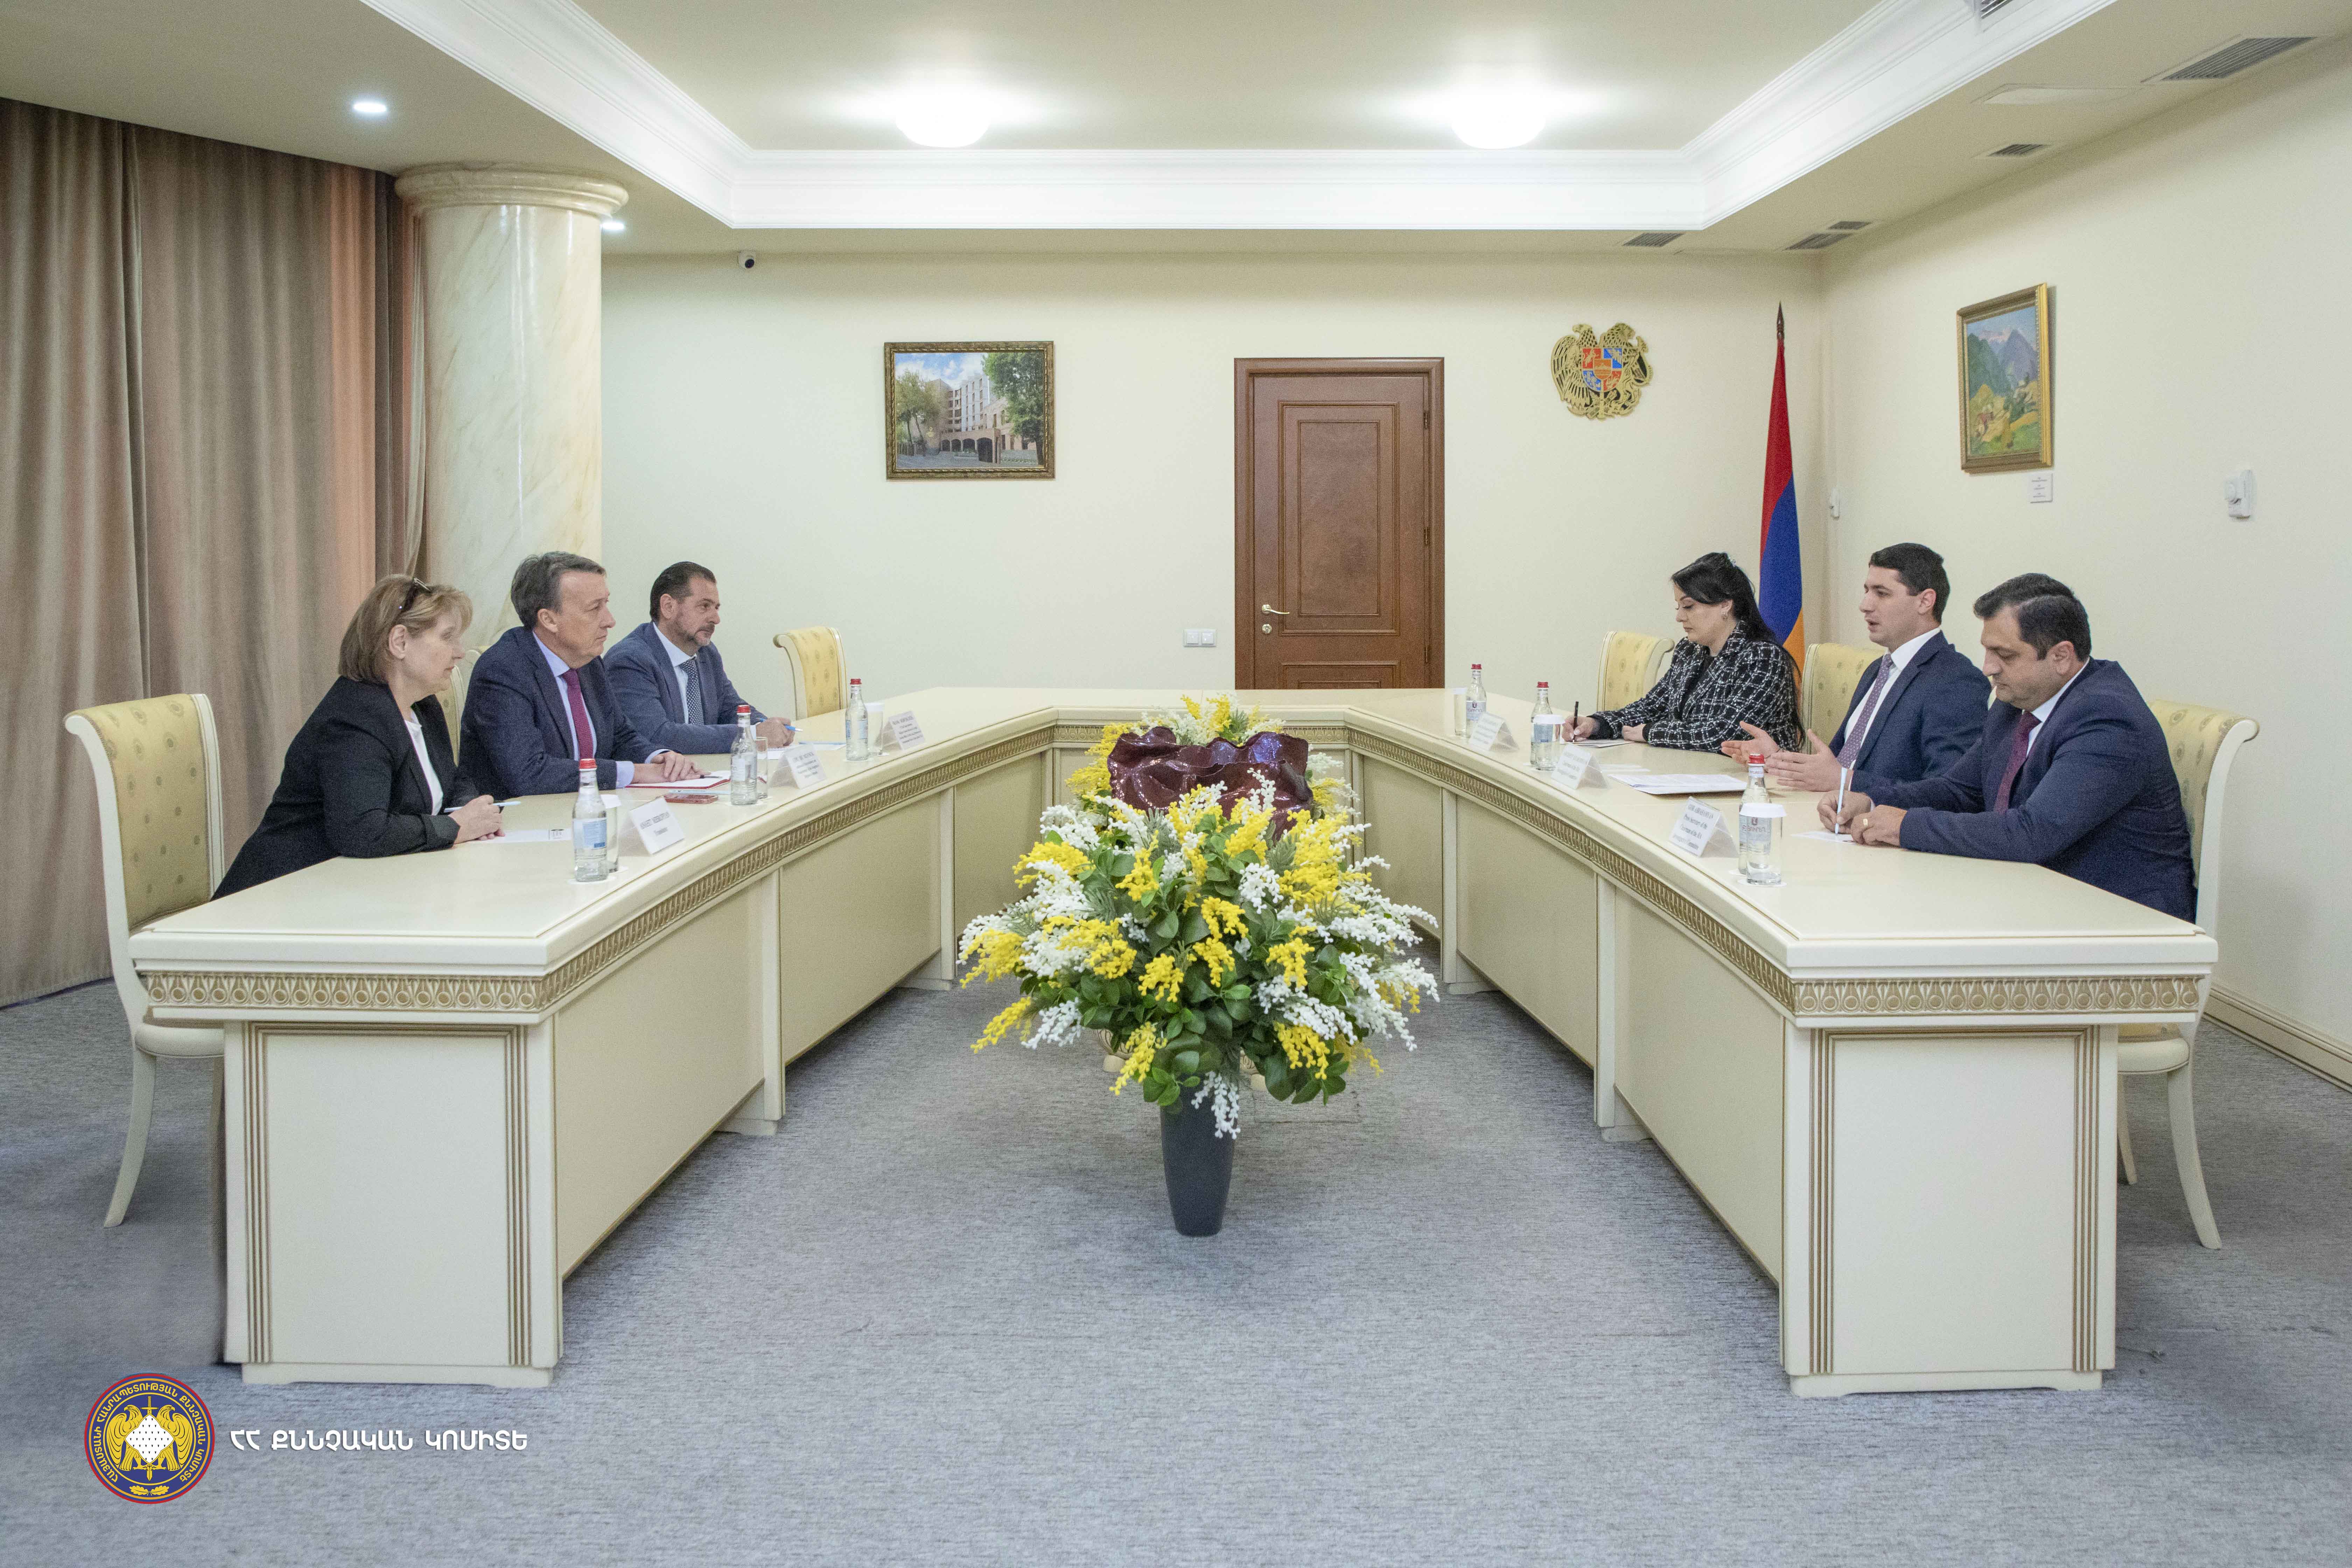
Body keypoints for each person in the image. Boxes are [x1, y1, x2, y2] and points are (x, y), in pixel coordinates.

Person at [1825, 574, 2195, 920]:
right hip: (2033, 895)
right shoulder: (2016, 701)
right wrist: (1871, 801)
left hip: (2118, 918)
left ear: (2061, 656)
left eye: (2006, 655)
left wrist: (1905, 826)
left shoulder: (2107, 719)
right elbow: (1960, 790)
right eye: (1988, 651)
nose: (1989, 667)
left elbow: (2033, 833)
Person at [216, 576, 503, 897]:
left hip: (357, 890)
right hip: (279, 896)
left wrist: (470, 810)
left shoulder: (424, 706)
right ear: (400, 642)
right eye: (448, 637)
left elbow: (453, 778)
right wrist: (456, 827)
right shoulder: (355, 718)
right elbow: (364, 831)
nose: (460, 652)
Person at [1725, 541, 1989, 793]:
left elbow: (1949, 792)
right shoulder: (1878, 669)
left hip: (1880, 821)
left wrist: (1846, 781)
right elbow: (1838, 765)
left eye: (1882, 594)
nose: (1865, 606)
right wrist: (1778, 759)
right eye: (1867, 591)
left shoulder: (1956, 681)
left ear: (1925, 601)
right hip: (1831, 810)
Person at [459, 552, 700, 799]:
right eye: (595, 608)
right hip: (521, 817)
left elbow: (620, 736)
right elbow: (530, 774)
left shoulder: (588, 661)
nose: (610, 621)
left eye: (606, 604)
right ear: (549, 620)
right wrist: (636, 772)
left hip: (585, 807)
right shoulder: (503, 670)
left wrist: (657, 758)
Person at [1570, 552, 1800, 752]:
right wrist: (1597, 724)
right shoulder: (1690, 651)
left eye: (1689, 606)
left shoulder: (1763, 658)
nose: (1680, 617)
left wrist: (1651, 732)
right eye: (1678, 607)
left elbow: (1726, 734)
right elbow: (1652, 707)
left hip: (1755, 779)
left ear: (1725, 605)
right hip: (1693, 772)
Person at [604, 560, 796, 757]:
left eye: (716, 608)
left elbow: (730, 707)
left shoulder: (707, 653)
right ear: (668, 607)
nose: (716, 619)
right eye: (704, 606)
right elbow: (657, 736)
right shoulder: (630, 660)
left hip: (707, 770)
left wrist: (766, 726)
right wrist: (751, 735)